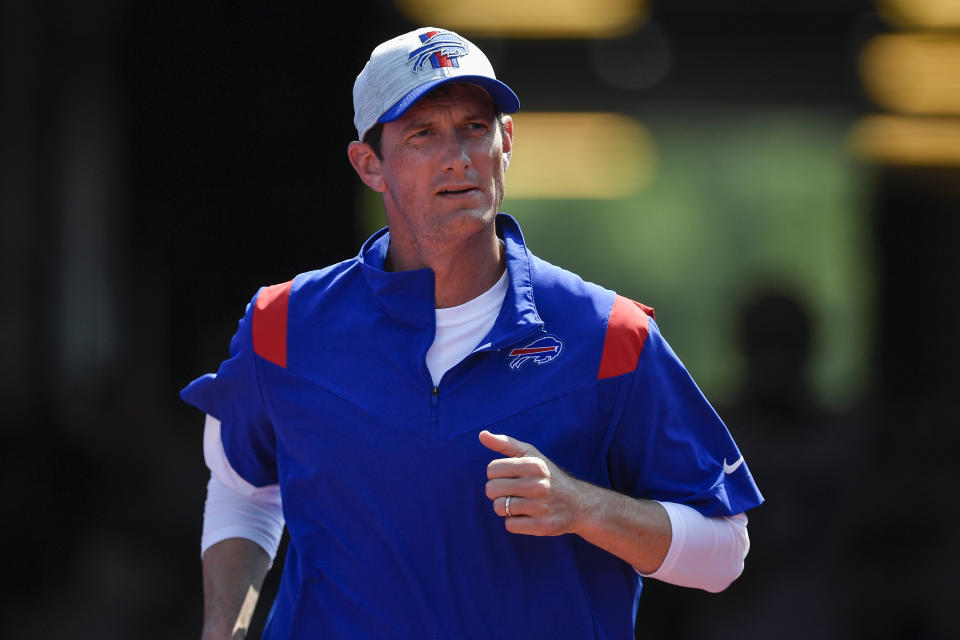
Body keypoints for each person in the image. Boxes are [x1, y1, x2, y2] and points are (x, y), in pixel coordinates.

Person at [182, 27, 764, 640]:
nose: (456, 155)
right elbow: (243, 489)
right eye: (423, 133)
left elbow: (725, 552)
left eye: (475, 128)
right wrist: (226, 628)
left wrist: (583, 506)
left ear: (506, 142)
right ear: (369, 164)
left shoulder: (610, 335)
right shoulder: (283, 326)